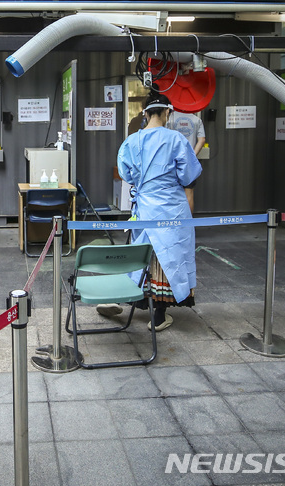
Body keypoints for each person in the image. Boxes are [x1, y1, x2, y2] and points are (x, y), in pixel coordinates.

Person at [98, 92, 201, 331]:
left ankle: (124, 297)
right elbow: (189, 175)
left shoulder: (133, 141)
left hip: (144, 207)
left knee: (140, 256)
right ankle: (160, 316)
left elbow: (126, 174)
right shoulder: (176, 139)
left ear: (144, 114)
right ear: (167, 112)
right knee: (168, 259)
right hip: (171, 209)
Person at [166, 110, 206, 212]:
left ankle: (172, 222)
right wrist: (192, 155)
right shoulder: (197, 120)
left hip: (172, 161)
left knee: (171, 193)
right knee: (189, 193)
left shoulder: (169, 119)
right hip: (188, 163)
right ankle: (188, 224)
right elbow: (202, 140)